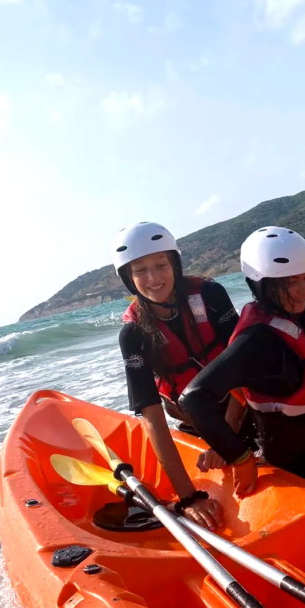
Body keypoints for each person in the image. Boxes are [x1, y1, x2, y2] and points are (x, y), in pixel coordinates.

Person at [180, 228, 305, 497]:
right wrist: (239, 457)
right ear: (262, 286)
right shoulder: (257, 338)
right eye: (289, 283)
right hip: (298, 473)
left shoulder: (295, 315)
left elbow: (296, 374)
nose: (303, 290)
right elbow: (193, 399)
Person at [113, 221, 246, 530]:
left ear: (174, 263)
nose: (153, 278)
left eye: (161, 265)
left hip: (241, 406)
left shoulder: (211, 294)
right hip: (195, 423)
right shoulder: (134, 334)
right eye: (140, 270)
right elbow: (152, 417)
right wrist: (189, 498)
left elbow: (243, 367)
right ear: (129, 279)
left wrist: (226, 441)